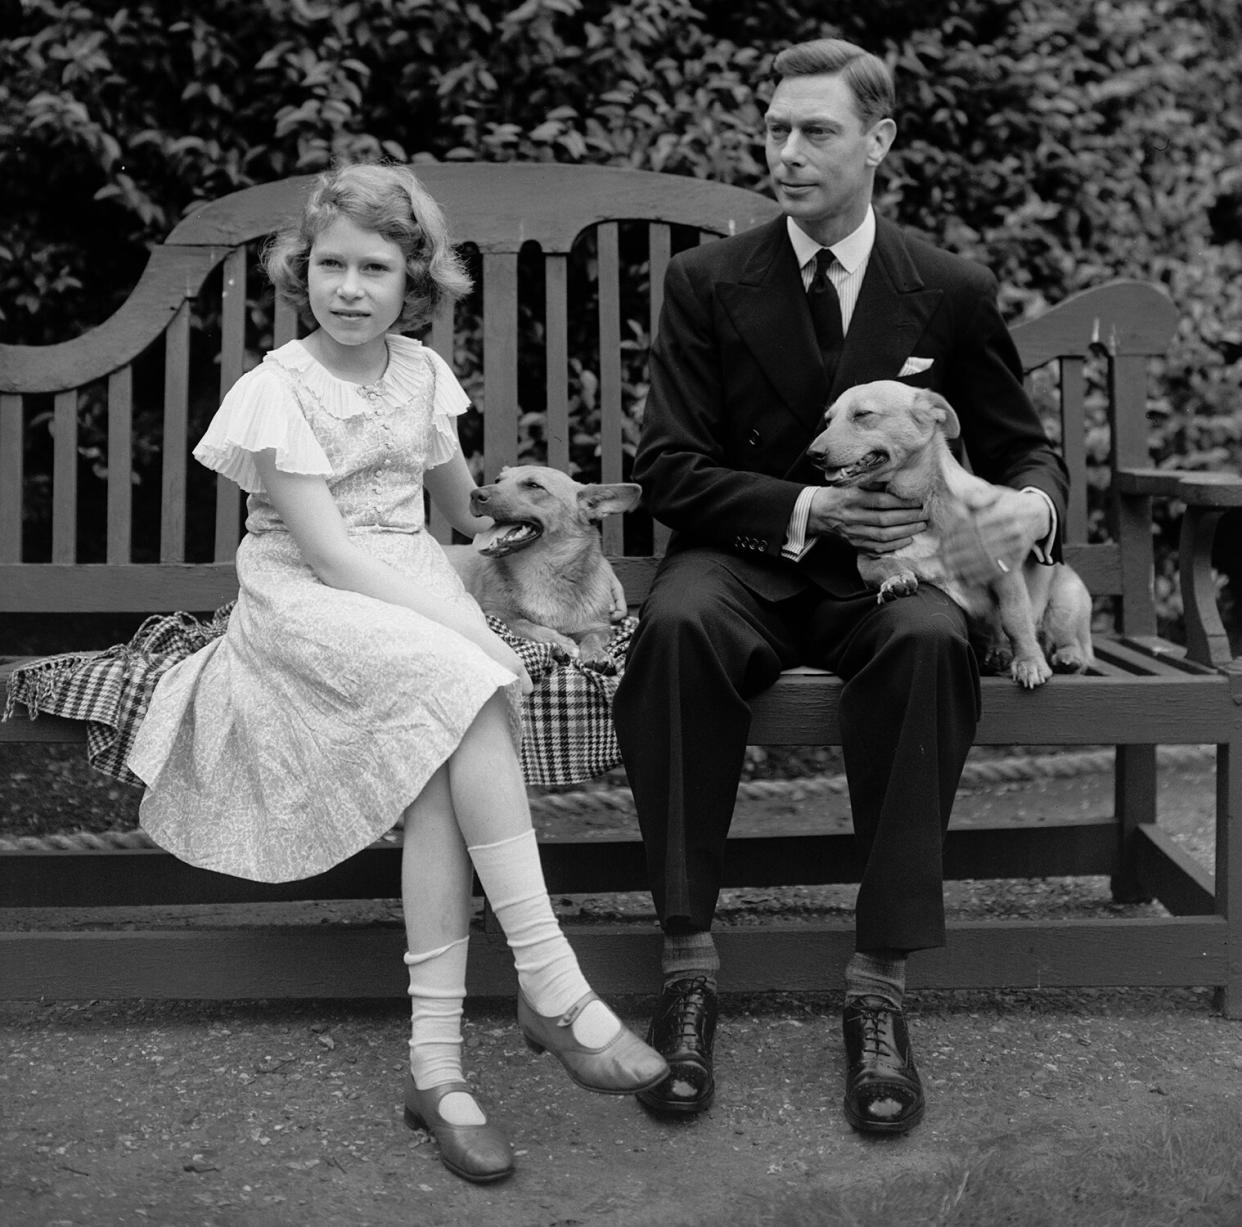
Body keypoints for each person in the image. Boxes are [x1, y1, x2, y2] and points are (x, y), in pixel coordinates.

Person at [128, 162, 666, 1184]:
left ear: (414, 281)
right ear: (303, 271)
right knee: (467, 683)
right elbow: (331, 556)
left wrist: (554, 530)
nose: (348, 287)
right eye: (330, 263)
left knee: (441, 777)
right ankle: (553, 989)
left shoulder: (420, 374)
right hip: (309, 601)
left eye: (375, 267)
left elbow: (464, 515)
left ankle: (437, 1069)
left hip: (412, 587)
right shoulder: (277, 390)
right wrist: (476, 635)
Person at [612, 38, 1068, 1134]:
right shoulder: (707, 283)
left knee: (926, 642)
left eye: (816, 130)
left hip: (900, 568)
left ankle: (878, 988)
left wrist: (1033, 510)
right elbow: (668, 469)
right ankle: (687, 969)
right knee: (673, 627)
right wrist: (808, 508)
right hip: (748, 559)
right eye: (775, 129)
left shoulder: (948, 289)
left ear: (879, 142)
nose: (788, 150)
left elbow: (1024, 450)